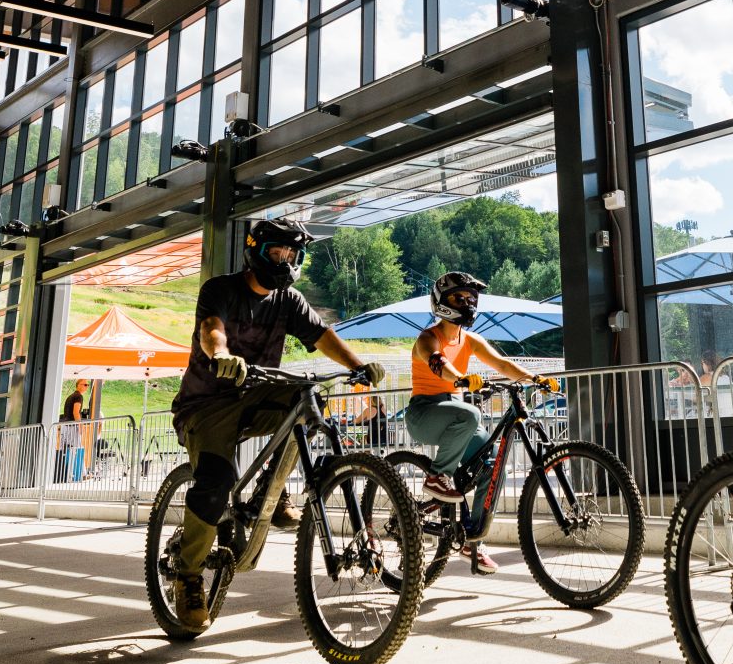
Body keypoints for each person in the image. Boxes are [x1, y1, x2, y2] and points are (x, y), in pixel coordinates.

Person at [163, 215, 387, 632]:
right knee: (215, 483)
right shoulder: (221, 289)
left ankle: (271, 491)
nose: (284, 260)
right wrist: (221, 356)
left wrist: (358, 367)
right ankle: (188, 576)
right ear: (254, 251)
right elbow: (211, 330)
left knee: (305, 399)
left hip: (255, 395)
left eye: (292, 253)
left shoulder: (291, 300)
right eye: (276, 252)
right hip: (207, 404)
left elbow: (321, 335)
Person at [405, 270, 548, 575]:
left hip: (454, 413)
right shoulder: (427, 337)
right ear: (442, 302)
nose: (468, 303)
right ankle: (437, 477)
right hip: (424, 413)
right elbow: (437, 362)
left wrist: (535, 378)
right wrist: (461, 379)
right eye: (460, 298)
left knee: (493, 463)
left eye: (472, 298)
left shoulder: (469, 339)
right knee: (471, 414)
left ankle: (471, 538)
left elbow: (501, 363)